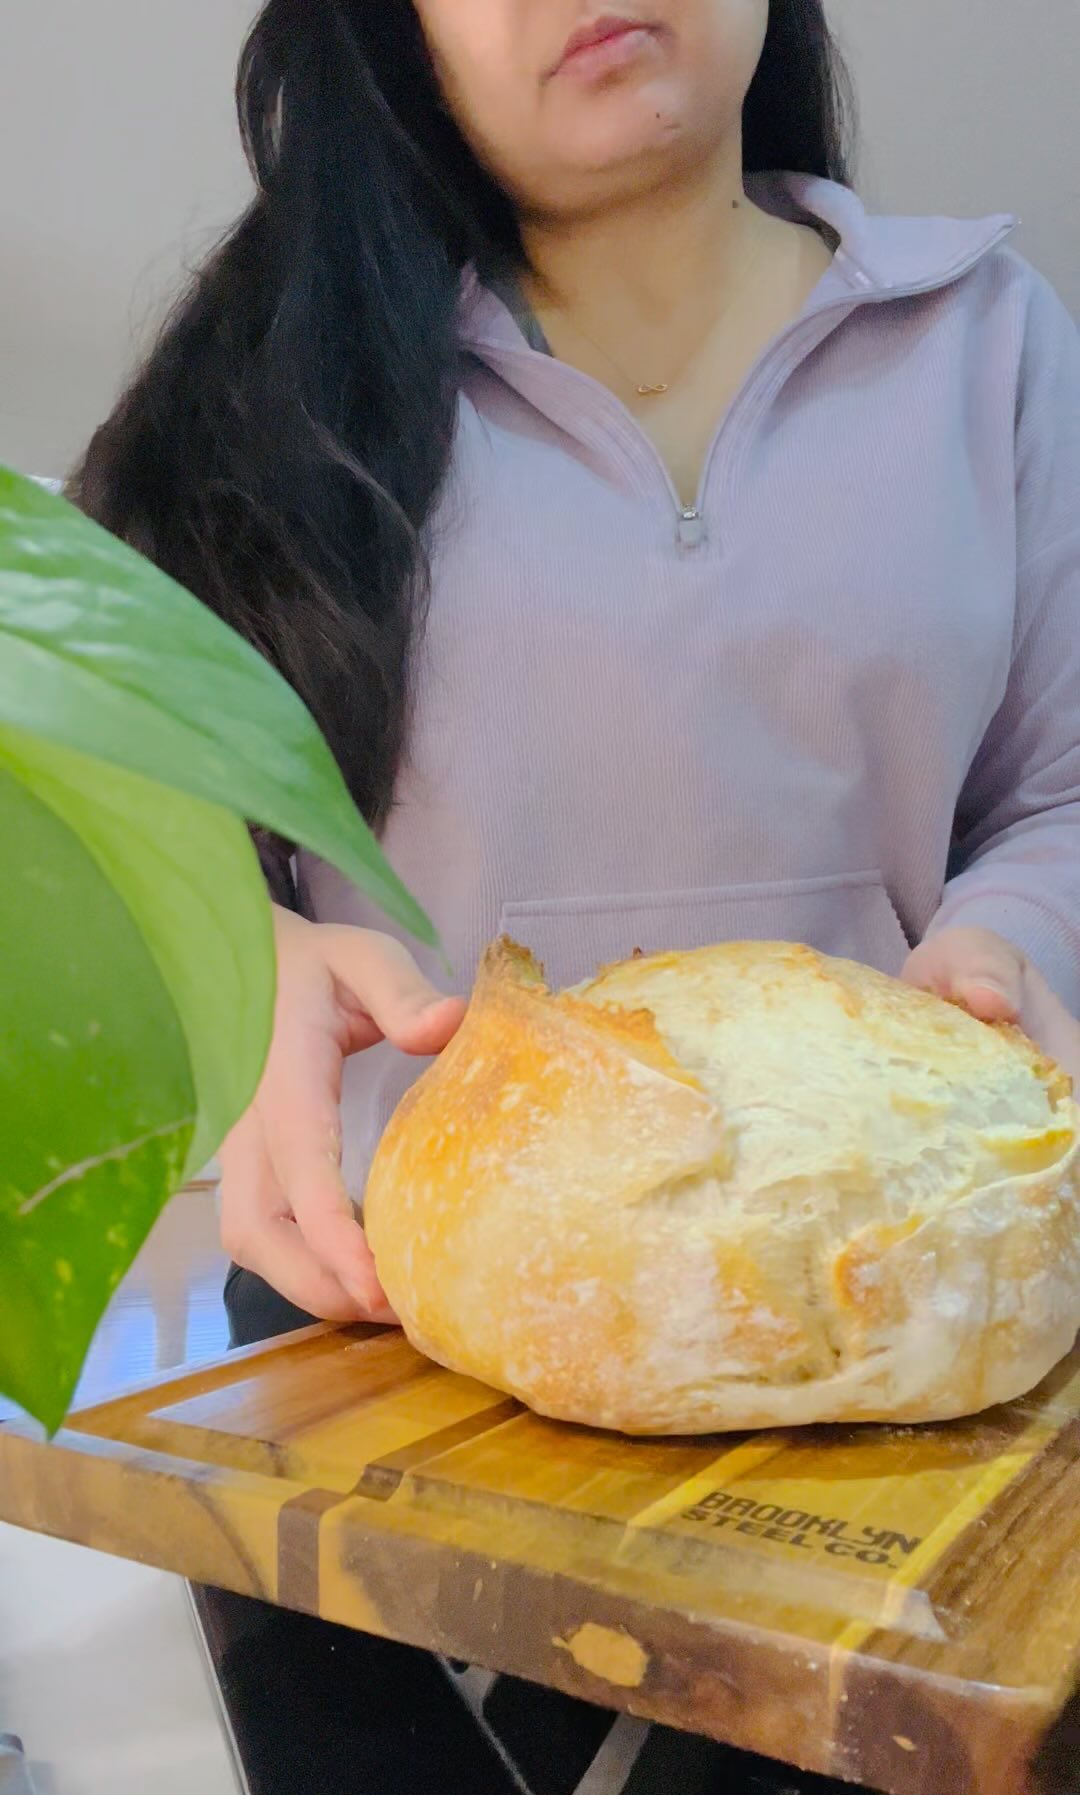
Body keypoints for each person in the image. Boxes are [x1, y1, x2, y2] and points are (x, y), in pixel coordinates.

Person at [72, 1, 1080, 1346]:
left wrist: (1010, 938)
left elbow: (1057, 793)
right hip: (386, 1327)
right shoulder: (262, 400)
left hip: (875, 1302)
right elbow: (84, 829)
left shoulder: (987, 338)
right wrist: (239, 963)